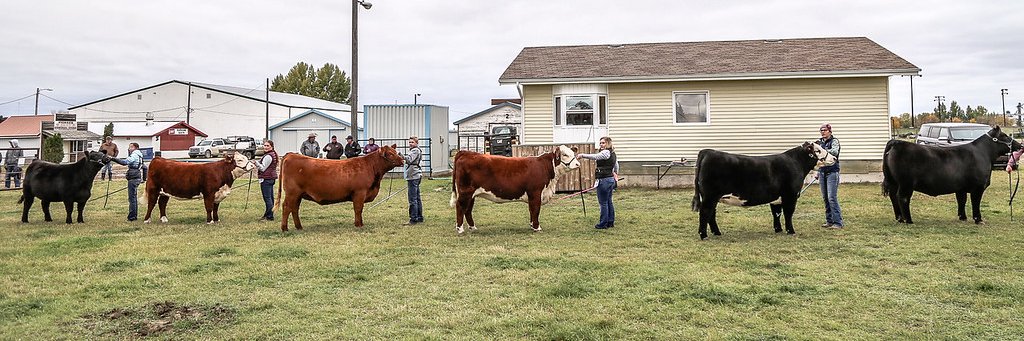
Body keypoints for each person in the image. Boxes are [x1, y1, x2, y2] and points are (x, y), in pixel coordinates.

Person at [578, 136, 619, 229]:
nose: (601, 144)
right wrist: (615, 174)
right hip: (610, 179)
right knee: (609, 201)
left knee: (603, 202)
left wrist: (583, 155)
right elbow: (616, 165)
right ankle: (610, 222)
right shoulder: (613, 153)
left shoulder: (606, 152)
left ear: (608, 143)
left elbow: (595, 156)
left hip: (604, 180)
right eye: (600, 143)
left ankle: (603, 223)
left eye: (603, 143)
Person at [817, 123, 844, 229]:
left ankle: (838, 222)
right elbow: (817, 157)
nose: (823, 132)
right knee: (825, 198)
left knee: (832, 197)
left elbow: (834, 152)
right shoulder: (819, 142)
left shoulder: (834, 141)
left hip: (832, 172)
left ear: (830, 131)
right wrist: (817, 172)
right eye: (821, 130)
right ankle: (829, 221)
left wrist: (822, 151)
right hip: (822, 172)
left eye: (825, 130)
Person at [111, 142, 145, 222]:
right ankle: (133, 215)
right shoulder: (140, 156)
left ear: (135, 148)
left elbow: (124, 162)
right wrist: (144, 179)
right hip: (137, 176)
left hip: (133, 177)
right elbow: (145, 167)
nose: (129, 149)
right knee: (133, 197)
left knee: (132, 198)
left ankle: (132, 217)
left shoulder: (134, 155)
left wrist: (113, 158)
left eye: (131, 147)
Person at [402, 136, 424, 225]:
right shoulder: (416, 150)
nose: (410, 144)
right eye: (409, 142)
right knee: (417, 198)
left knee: (412, 199)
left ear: (416, 143)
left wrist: (400, 155)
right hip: (415, 175)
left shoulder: (415, 151)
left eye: (412, 142)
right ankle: (419, 217)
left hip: (413, 176)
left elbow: (409, 160)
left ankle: (413, 219)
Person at [257, 140, 279, 221]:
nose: (265, 147)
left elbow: (263, 168)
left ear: (271, 147)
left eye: (267, 146)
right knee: (270, 198)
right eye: (265, 145)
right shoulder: (272, 154)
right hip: (270, 178)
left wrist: (256, 163)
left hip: (266, 179)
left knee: (267, 198)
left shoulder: (268, 156)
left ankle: (269, 216)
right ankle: (267, 214)